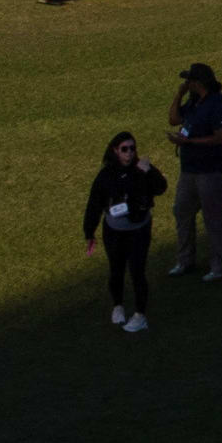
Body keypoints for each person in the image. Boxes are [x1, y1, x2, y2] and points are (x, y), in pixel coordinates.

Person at [82, 132, 167, 332]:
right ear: (115, 151)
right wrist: (89, 231)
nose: (129, 153)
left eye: (132, 148)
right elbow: (95, 203)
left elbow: (161, 188)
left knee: (137, 271)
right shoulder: (107, 175)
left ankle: (140, 315)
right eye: (125, 149)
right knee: (116, 269)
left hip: (139, 230)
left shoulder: (143, 168)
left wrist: (149, 172)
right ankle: (118, 305)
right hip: (114, 231)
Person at [167, 63, 222, 280]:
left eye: (189, 81)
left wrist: (189, 141)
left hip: (211, 170)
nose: (186, 84)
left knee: (213, 217)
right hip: (189, 169)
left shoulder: (219, 104)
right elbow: (174, 119)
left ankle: (219, 266)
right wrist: (179, 94)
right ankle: (185, 261)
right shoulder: (195, 102)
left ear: (198, 83)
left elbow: (220, 137)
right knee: (182, 211)